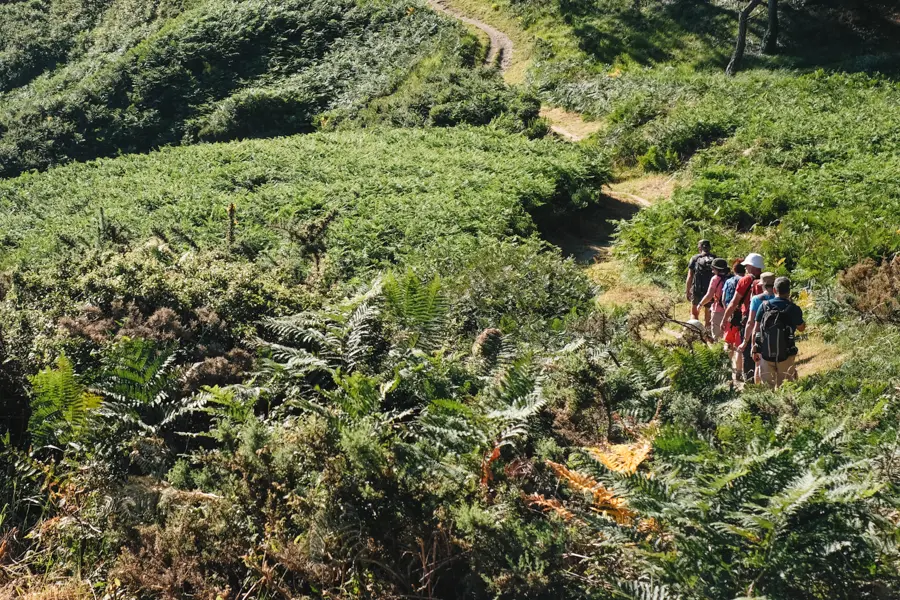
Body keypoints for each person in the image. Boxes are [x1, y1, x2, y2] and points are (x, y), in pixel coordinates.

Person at [753, 277, 805, 389]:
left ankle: (769, 406)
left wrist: (754, 349)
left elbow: (756, 329)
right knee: (787, 387)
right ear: (789, 291)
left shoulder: (764, 306)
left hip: (766, 352)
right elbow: (801, 328)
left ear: (774, 290)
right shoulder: (793, 308)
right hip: (786, 353)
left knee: (767, 388)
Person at [722, 253, 764, 383]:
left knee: (748, 350)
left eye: (747, 266)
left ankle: (750, 383)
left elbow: (734, 302)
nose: (745, 268)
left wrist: (725, 319)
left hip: (748, 319)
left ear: (751, 266)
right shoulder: (767, 280)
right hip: (766, 319)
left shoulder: (745, 280)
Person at [740, 272, 776, 383]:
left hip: (762, 337)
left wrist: (746, 342)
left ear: (762, 285)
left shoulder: (756, 299)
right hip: (778, 335)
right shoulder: (781, 297)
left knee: (758, 365)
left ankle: (759, 393)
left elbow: (751, 322)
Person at [697, 258, 730, 341]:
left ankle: (719, 353)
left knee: (718, 337)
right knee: (728, 337)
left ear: (717, 269)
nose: (712, 271)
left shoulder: (715, 279)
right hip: (731, 310)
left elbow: (709, 295)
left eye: (713, 268)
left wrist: (700, 304)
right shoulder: (731, 278)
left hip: (718, 310)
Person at [686, 240, 716, 330]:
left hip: (697, 290)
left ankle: (694, 333)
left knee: (694, 313)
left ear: (699, 248)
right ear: (709, 247)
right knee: (708, 317)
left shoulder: (695, 258)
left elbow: (690, 276)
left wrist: (687, 291)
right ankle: (708, 336)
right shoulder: (715, 258)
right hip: (710, 291)